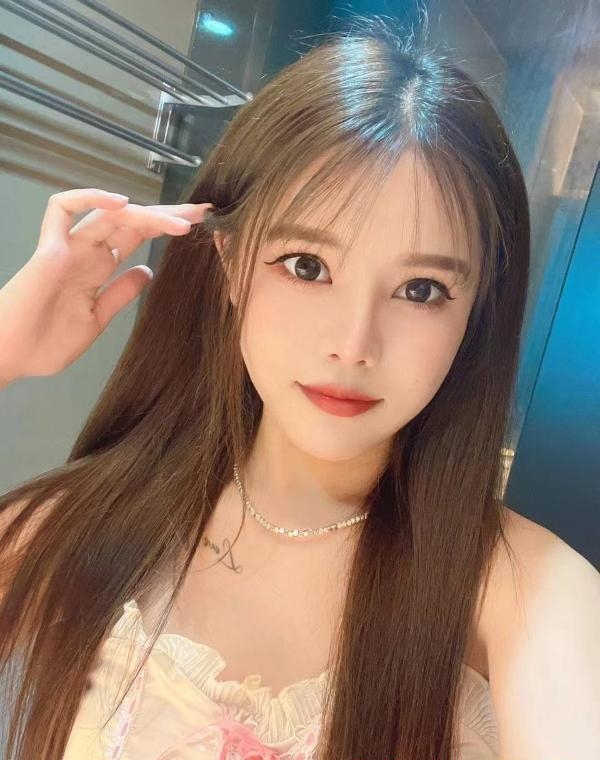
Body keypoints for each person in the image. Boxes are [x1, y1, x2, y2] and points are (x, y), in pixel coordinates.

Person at [1, 13, 599, 760]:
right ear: (228, 265)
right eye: (307, 267)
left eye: (421, 289)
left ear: (476, 312)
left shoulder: (522, 589)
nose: (353, 344)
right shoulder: (78, 524)